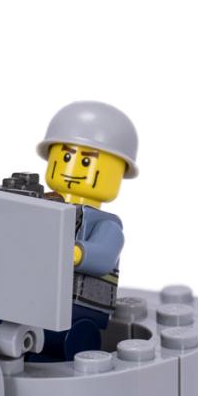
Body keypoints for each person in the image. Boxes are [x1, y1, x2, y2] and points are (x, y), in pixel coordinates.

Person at [34, 101, 139, 361]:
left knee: (66, 346)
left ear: (119, 173)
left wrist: (77, 253)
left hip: (78, 308)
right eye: (66, 157)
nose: (73, 169)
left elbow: (104, 255)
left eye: (85, 161)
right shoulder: (40, 207)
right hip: (34, 301)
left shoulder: (105, 224)